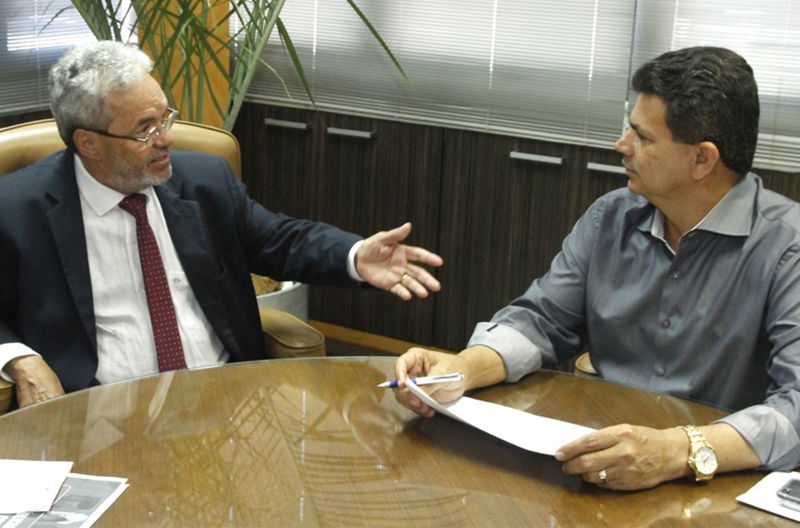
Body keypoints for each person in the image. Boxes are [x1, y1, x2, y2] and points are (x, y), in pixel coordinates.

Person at [394, 46, 800, 491]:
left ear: (702, 159)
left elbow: (796, 407)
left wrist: (679, 451)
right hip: (600, 462)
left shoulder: (787, 247)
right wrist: (462, 369)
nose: (621, 146)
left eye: (643, 138)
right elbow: (541, 320)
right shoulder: (611, 216)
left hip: (721, 482)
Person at [0, 40, 443, 409]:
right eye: (145, 129)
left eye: (165, 119)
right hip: (101, 411)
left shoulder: (203, 182)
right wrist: (21, 360)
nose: (167, 139)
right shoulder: (19, 209)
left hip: (224, 400)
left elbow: (280, 240)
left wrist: (354, 255)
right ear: (89, 143)